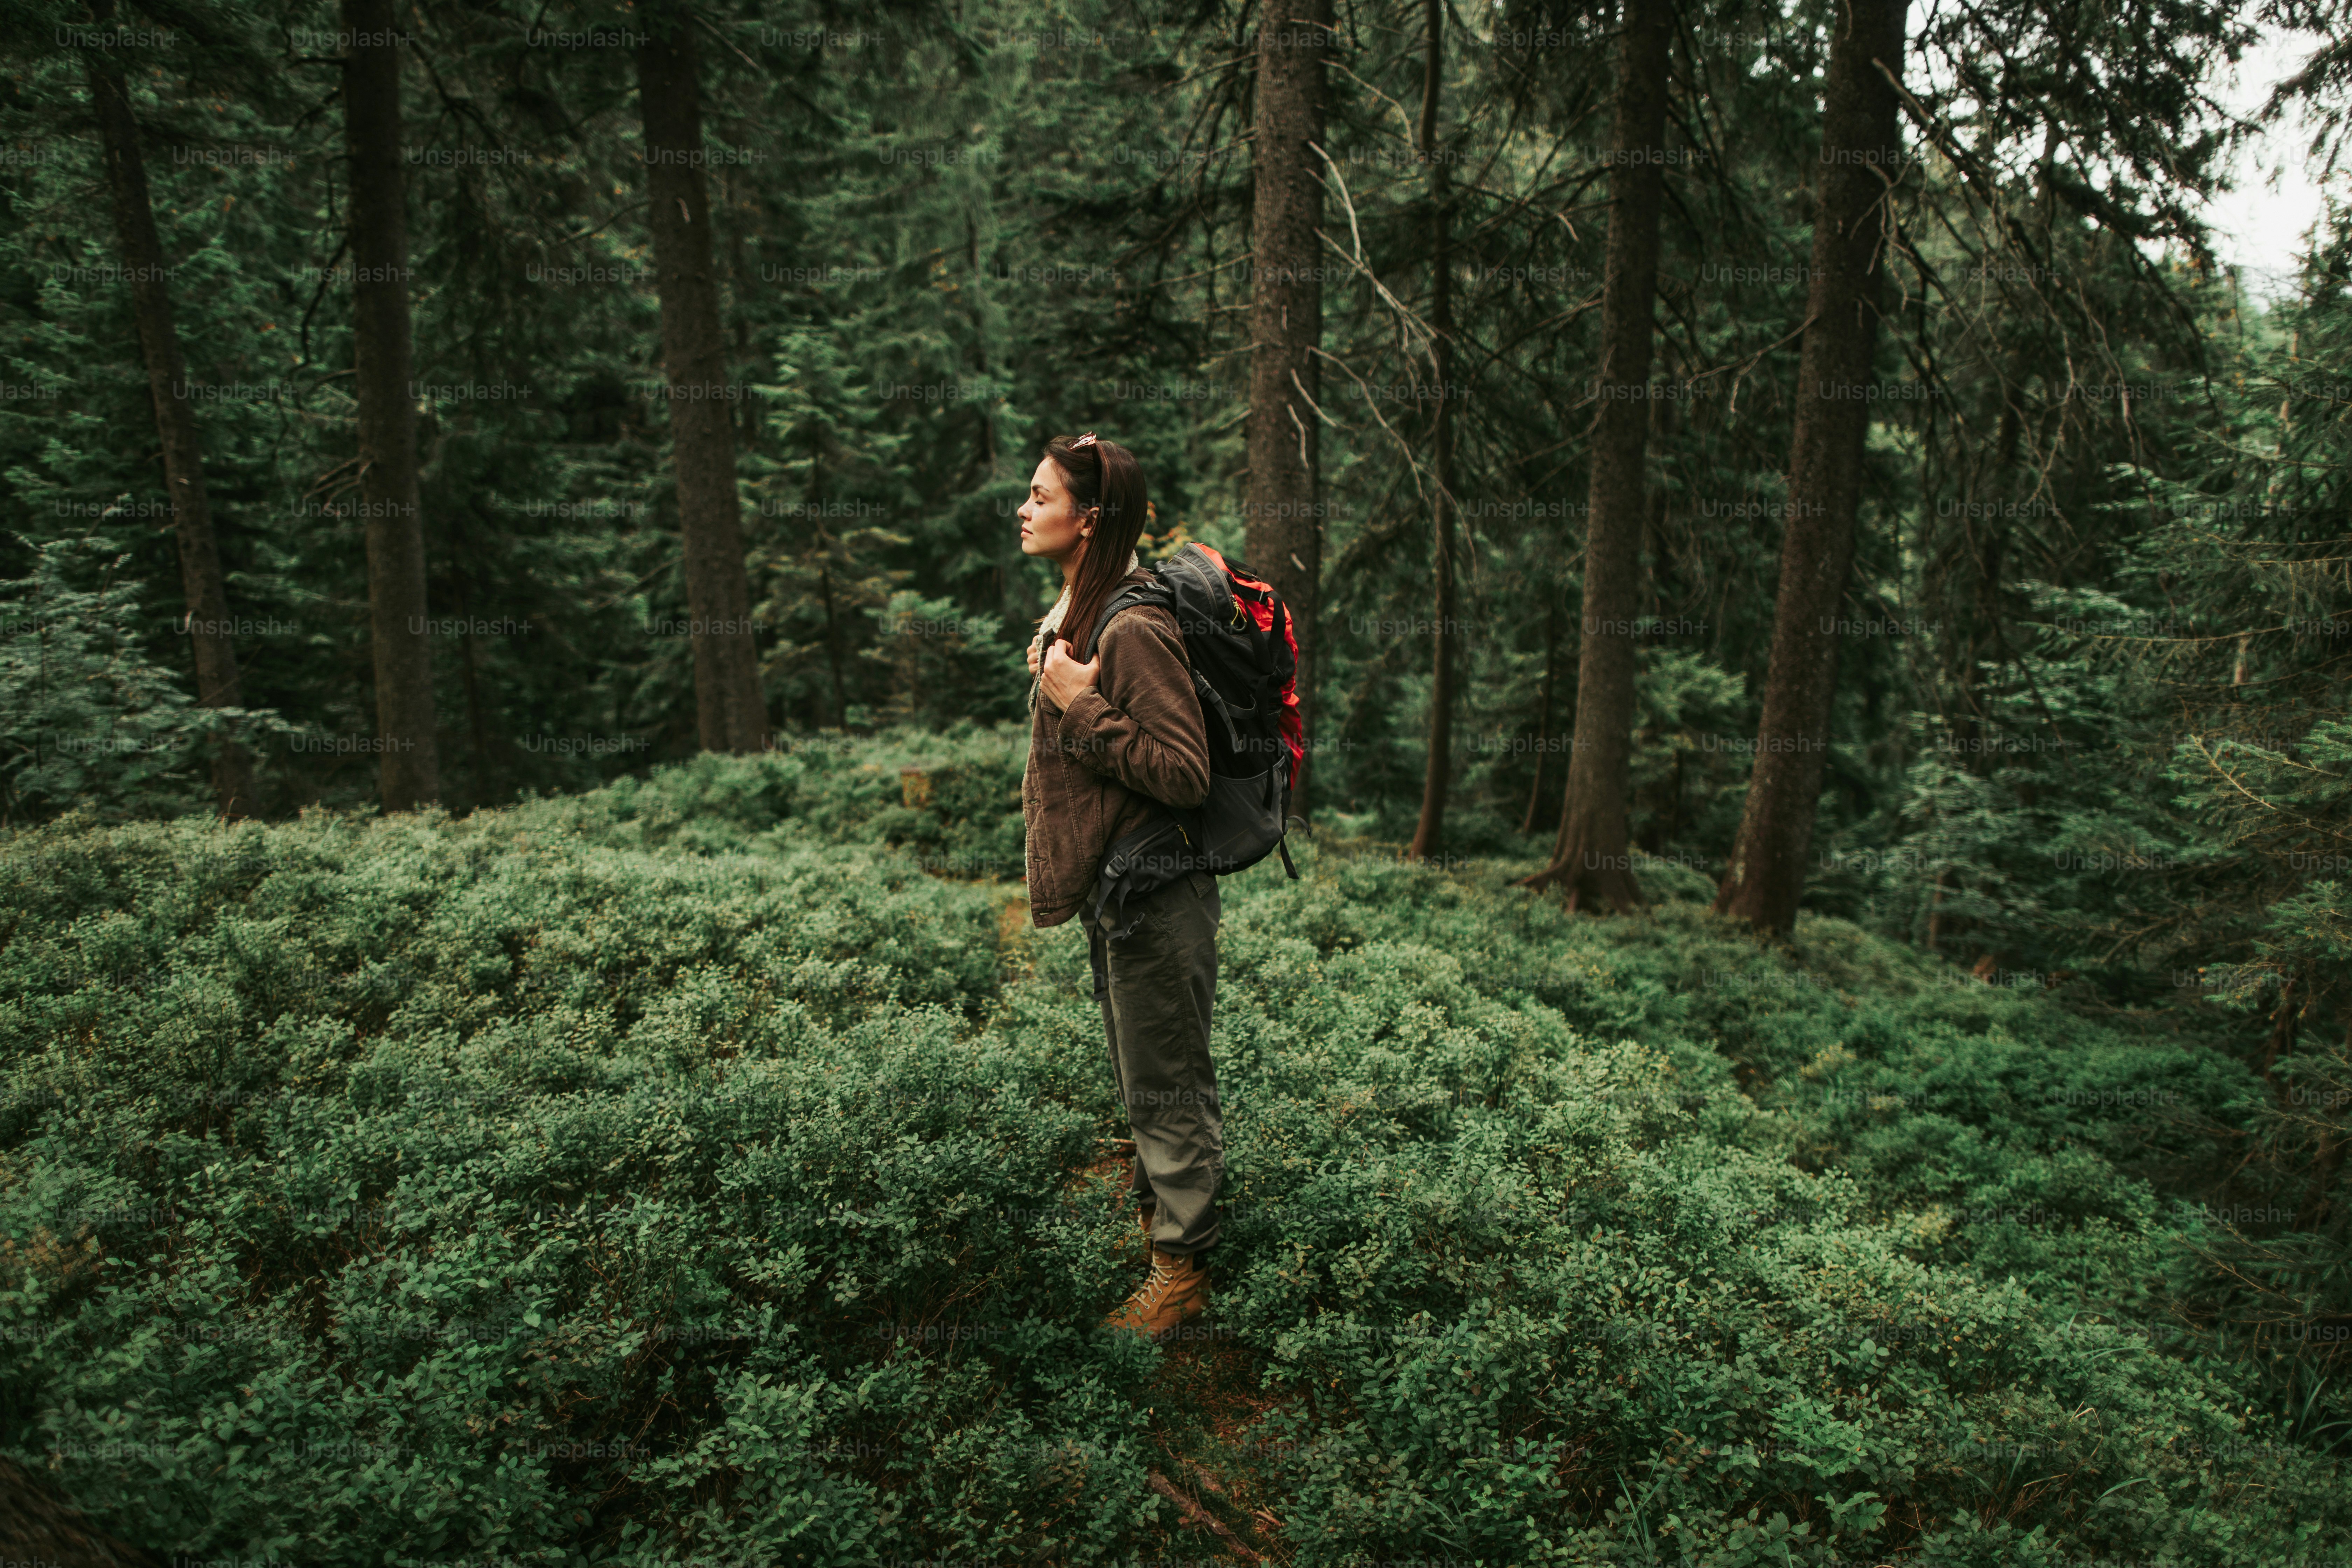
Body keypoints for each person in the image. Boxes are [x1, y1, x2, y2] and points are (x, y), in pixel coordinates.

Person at [1018, 431, 1221, 1344]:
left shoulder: (1133, 628)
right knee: (1146, 1080)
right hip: (1123, 890)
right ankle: (1160, 1236)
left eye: (1040, 496)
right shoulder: (1090, 611)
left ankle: (1181, 1277)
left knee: (1168, 1086)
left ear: (1088, 519)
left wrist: (1079, 703)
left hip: (1159, 892)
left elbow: (1185, 772)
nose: (1024, 510)